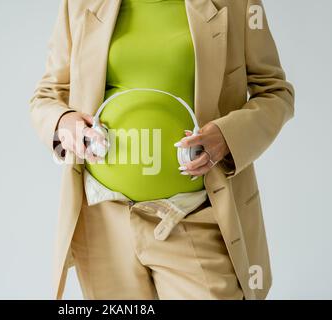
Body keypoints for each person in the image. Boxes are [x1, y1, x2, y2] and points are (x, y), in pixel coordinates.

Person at [30, 0, 294, 300]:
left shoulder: (237, 4)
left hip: (194, 212)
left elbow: (275, 92)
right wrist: (65, 123)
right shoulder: (78, 5)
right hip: (103, 222)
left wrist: (227, 137)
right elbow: (48, 95)